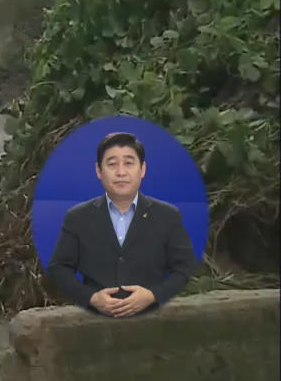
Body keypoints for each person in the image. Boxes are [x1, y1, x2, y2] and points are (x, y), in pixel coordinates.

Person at [45, 131, 198, 318]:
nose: (121, 172)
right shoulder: (77, 217)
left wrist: (153, 295)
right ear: (98, 171)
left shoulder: (167, 215)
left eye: (128, 163)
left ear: (142, 169)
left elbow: (185, 268)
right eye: (112, 164)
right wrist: (91, 298)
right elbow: (58, 268)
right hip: (93, 323)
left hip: (154, 320)